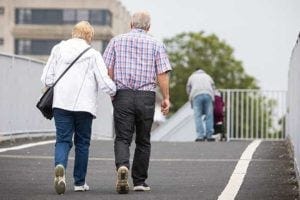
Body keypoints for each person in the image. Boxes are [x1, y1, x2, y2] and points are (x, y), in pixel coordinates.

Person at [41, 21, 116, 195]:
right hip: (85, 106)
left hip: (61, 104)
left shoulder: (58, 49)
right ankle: (79, 183)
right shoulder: (93, 54)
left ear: (74, 33)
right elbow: (105, 83)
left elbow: (46, 79)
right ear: (90, 36)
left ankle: (60, 167)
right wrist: (115, 90)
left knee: (62, 140)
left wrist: (62, 87)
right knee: (82, 142)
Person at [103, 11, 172, 194]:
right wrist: (166, 97)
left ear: (131, 24)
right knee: (143, 140)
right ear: (148, 27)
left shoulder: (116, 41)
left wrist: (113, 91)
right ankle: (140, 181)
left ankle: (122, 167)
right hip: (146, 96)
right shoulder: (157, 44)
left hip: (122, 95)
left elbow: (107, 68)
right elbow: (162, 74)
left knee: (123, 138)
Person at [186, 69, 215, 142]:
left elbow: (188, 88)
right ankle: (209, 135)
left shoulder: (192, 77)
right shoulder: (208, 76)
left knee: (197, 116)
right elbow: (213, 87)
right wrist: (213, 98)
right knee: (209, 115)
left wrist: (190, 97)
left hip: (196, 95)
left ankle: (200, 136)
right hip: (208, 94)